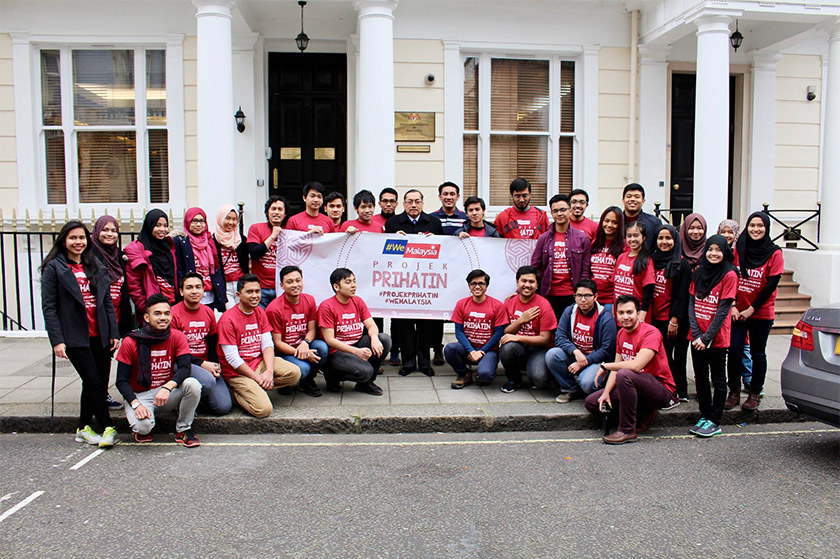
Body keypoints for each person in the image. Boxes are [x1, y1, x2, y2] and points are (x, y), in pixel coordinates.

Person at [41, 221, 120, 448]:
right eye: (73, 238)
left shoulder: (94, 264)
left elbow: (106, 301)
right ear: (63, 241)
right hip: (76, 336)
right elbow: (49, 307)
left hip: (100, 334)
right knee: (93, 380)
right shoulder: (55, 267)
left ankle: (83, 427)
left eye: (82, 238)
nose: (78, 242)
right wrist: (57, 340)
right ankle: (107, 426)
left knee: (96, 382)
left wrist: (113, 332)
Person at [584, 295, 677, 444]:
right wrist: (606, 393)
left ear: (638, 313)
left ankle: (627, 429)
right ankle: (643, 413)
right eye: (621, 313)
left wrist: (605, 366)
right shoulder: (621, 333)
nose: (625, 317)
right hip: (632, 385)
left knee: (625, 374)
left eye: (629, 312)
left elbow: (636, 366)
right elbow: (617, 365)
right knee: (593, 402)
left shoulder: (651, 333)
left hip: (660, 389)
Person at [116, 294, 202, 447]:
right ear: (147, 318)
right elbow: (121, 381)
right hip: (140, 395)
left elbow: (185, 368)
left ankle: (183, 429)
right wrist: (135, 404)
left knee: (193, 384)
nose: (163, 317)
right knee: (143, 428)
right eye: (157, 313)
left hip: (165, 393)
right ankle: (143, 420)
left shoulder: (177, 336)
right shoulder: (130, 341)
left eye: (167, 313)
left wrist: (167, 387)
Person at [217, 274, 301, 418]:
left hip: (258, 363)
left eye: (257, 291)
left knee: (295, 373)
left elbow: (267, 344)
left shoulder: (259, 311)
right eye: (249, 292)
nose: (255, 295)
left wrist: (268, 371)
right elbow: (232, 358)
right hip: (237, 372)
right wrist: (256, 378)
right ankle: (233, 392)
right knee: (264, 410)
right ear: (238, 294)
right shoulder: (227, 319)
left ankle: (256, 388)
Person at [726, 211, 783, 411]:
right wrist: (733, 305)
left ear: (766, 228)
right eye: (752, 225)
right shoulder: (740, 249)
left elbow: (771, 285)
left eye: (760, 226)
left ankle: (754, 393)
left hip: (760, 313)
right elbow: (731, 276)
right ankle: (733, 391)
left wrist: (751, 309)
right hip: (737, 311)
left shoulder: (774, 253)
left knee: (758, 354)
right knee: (734, 351)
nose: (755, 229)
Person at [384, 189, 443, 376]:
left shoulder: (434, 223)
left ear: (423, 203)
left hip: (424, 285)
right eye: (410, 201)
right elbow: (386, 253)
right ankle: (408, 362)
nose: (414, 205)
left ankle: (425, 363)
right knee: (405, 326)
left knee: (425, 326)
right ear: (404, 204)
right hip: (402, 285)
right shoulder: (393, 223)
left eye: (417, 201)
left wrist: (436, 241)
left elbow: (442, 252)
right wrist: (395, 240)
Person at [688, 235, 738, 438]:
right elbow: (691, 304)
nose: (714, 253)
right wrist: (697, 334)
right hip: (697, 336)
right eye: (710, 249)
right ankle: (705, 414)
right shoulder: (698, 273)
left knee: (717, 379)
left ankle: (715, 420)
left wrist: (707, 338)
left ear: (725, 252)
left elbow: (723, 309)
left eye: (718, 250)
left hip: (716, 338)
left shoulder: (730, 274)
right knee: (700, 377)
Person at [318, 268, 391, 395]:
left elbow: (371, 325)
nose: (353, 285)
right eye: (348, 282)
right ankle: (331, 375)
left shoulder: (357, 301)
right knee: (365, 371)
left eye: (354, 281)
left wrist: (374, 338)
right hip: (337, 352)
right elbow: (329, 340)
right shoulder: (327, 306)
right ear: (336, 287)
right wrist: (356, 352)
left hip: (357, 343)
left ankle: (365, 384)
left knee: (384, 339)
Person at [170, 272, 231, 415]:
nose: (194, 291)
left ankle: (197, 400)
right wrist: (202, 364)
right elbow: (175, 351)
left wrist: (215, 365)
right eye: (189, 287)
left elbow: (212, 343)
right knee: (208, 382)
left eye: (198, 287)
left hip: (204, 363)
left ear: (204, 290)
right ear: (181, 291)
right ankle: (182, 402)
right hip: (182, 363)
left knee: (223, 407)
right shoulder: (173, 314)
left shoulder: (208, 312)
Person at [546, 278, 617, 401]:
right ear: (574, 296)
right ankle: (570, 388)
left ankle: (590, 385)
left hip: (596, 360)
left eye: (587, 295)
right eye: (579, 295)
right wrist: (575, 351)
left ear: (595, 296)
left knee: (587, 384)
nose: (583, 299)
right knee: (552, 355)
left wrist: (583, 363)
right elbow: (560, 336)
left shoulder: (605, 317)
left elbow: (606, 350)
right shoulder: (570, 311)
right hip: (576, 355)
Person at [90, 215, 133, 409]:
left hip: (116, 314)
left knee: (107, 356)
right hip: (97, 316)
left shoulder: (118, 256)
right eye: (105, 230)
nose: (109, 234)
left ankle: (101, 394)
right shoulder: (90, 255)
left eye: (113, 230)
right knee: (97, 359)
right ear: (97, 231)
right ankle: (96, 396)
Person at [266, 266, 329, 398]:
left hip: (303, 345)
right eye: (289, 282)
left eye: (298, 280)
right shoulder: (274, 309)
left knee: (322, 347)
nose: (295, 285)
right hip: (284, 352)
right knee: (304, 368)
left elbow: (312, 329)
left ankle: (306, 381)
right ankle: (284, 380)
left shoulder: (309, 300)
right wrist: (300, 353)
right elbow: (277, 343)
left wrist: (305, 343)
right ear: (281, 285)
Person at [531, 194, 591, 320]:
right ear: (551, 213)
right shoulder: (544, 238)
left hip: (573, 295)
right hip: (549, 294)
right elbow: (535, 266)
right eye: (555, 211)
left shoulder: (582, 238)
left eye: (563, 210)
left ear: (570, 210)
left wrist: (583, 294)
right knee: (550, 332)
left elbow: (585, 270)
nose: (559, 214)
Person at [446, 269, 509, 389]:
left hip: (488, 350)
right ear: (469, 286)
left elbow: (498, 333)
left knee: (486, 375)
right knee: (450, 349)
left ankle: (484, 371)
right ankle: (464, 373)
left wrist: (482, 351)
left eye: (481, 283)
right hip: (467, 349)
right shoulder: (461, 304)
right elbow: (459, 332)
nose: (477, 287)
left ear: (487, 286)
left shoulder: (497, 306)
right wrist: (471, 351)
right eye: (473, 284)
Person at [650, 224, 692, 402]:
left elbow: (682, 294)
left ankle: (681, 391)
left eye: (668, 238)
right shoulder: (651, 260)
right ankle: (668, 388)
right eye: (660, 238)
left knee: (679, 355)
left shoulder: (682, 264)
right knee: (663, 356)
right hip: (656, 318)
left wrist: (673, 320)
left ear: (675, 241)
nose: (664, 242)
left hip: (676, 319)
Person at [499, 266, 557, 393]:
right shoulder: (509, 302)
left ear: (537, 285)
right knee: (507, 346)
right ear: (517, 282)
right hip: (518, 347)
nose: (527, 285)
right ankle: (513, 379)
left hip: (539, 349)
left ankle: (538, 369)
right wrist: (521, 320)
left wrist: (518, 337)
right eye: (523, 281)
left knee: (539, 380)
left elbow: (545, 339)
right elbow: (505, 332)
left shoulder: (544, 305)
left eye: (531, 282)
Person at [718, 218, 753, 391]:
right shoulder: (717, 251)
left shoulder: (741, 253)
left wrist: (737, 306)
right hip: (723, 305)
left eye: (730, 232)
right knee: (726, 346)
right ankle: (725, 379)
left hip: (741, 306)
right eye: (723, 232)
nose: (726, 235)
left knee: (743, 346)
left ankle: (748, 378)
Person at [125, 209, 178, 316]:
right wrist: (146, 308)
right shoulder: (137, 249)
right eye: (157, 225)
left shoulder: (169, 246)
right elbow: (134, 285)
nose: (162, 229)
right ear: (149, 225)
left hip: (173, 304)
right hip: (152, 308)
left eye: (165, 225)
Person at [175, 207, 226, 312]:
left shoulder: (211, 241)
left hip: (210, 292)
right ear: (188, 222)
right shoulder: (182, 242)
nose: (198, 225)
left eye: (201, 221)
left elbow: (218, 268)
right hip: (192, 293)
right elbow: (180, 270)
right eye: (194, 221)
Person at [247, 195, 286, 308]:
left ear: (285, 214)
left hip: (282, 288)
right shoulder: (256, 228)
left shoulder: (290, 231)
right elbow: (254, 254)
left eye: (280, 209)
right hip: (261, 288)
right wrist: (273, 236)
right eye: (273, 209)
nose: (276, 212)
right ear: (267, 212)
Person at [614, 221, 655, 323]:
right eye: (629, 236)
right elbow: (615, 286)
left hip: (635, 316)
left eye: (636, 235)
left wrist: (641, 317)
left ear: (644, 237)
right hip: (620, 312)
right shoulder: (621, 257)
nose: (632, 239)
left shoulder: (646, 261)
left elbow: (648, 292)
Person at [589, 206, 625, 315]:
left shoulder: (624, 245)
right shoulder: (595, 243)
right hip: (593, 297)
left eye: (614, 222)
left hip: (610, 300)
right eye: (606, 221)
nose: (609, 225)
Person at [213, 204, 249, 309]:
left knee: (242, 313)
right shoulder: (213, 240)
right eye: (227, 218)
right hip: (225, 285)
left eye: (234, 219)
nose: (231, 222)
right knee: (230, 313)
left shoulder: (241, 239)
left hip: (240, 283)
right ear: (220, 218)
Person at [621, 183, 661, 252]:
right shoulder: (615, 222)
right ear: (623, 200)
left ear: (643, 201)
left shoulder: (654, 223)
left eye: (637, 197)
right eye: (629, 196)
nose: (632, 199)